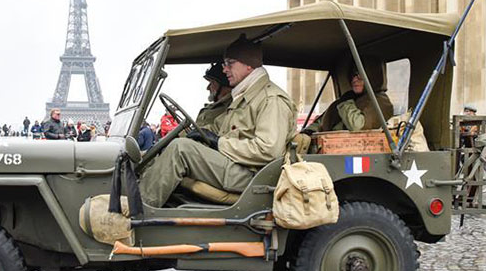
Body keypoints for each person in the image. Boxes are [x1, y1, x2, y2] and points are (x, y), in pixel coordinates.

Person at [140, 33, 296, 207]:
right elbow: (216, 127)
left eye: (229, 63)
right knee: (172, 143)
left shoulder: (270, 99)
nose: (224, 69)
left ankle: (138, 212)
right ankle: (138, 195)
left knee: (180, 149)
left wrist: (220, 143)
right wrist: (187, 134)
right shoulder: (246, 96)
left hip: (251, 174)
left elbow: (269, 150)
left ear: (249, 66)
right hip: (237, 166)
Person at [310, 57, 394, 134]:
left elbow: (357, 126)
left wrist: (346, 103)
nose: (354, 80)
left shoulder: (381, 102)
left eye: (359, 75)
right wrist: (308, 132)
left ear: (371, 77)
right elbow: (322, 121)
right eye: (352, 75)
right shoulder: (349, 99)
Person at [196, 62, 233, 130]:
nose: (208, 88)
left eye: (212, 83)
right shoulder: (215, 107)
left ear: (225, 85)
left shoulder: (231, 108)